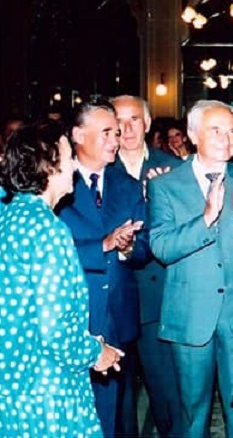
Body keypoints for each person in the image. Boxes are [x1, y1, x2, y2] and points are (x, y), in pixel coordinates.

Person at [147, 99, 233, 438]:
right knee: (192, 414)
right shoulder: (165, 185)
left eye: (232, 131)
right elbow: (162, 247)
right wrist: (206, 218)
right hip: (190, 316)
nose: (227, 139)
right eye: (216, 130)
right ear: (193, 133)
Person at [0, 119, 123, 438]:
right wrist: (97, 352)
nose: (73, 166)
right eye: (69, 157)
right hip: (49, 396)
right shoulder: (48, 230)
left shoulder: (9, 216)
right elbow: (56, 332)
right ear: (50, 164)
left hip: (13, 389)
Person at [57, 99, 151, 438]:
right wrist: (103, 245)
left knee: (117, 417)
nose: (116, 139)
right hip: (72, 318)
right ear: (78, 135)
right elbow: (49, 252)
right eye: (107, 132)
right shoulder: (55, 183)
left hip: (118, 318)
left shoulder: (127, 185)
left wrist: (127, 248)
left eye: (117, 132)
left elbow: (144, 248)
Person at [110, 94, 183, 438]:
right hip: (115, 298)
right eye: (118, 121)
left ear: (148, 123)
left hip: (158, 297)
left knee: (167, 394)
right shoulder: (99, 167)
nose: (126, 129)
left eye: (134, 120)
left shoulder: (172, 168)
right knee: (119, 400)